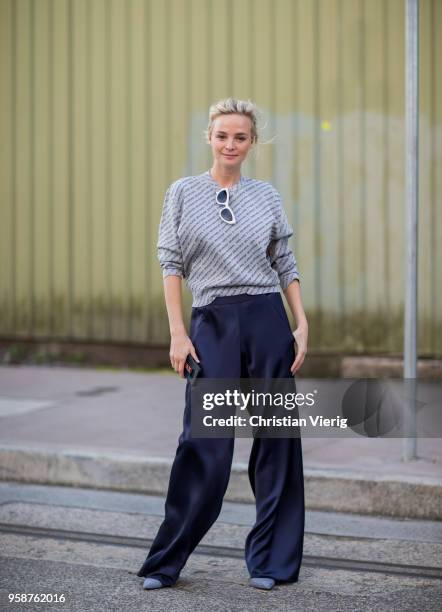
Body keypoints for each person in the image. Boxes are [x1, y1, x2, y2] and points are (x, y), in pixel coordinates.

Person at [137, 97, 308, 591]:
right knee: (204, 444)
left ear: (253, 143)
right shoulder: (183, 192)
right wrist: (177, 331)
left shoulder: (267, 196)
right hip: (211, 322)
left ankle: (273, 563)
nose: (230, 144)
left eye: (241, 137)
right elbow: (170, 264)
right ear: (209, 137)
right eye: (222, 135)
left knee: (276, 441)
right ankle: (166, 561)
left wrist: (301, 323)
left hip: (267, 318)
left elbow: (285, 263)